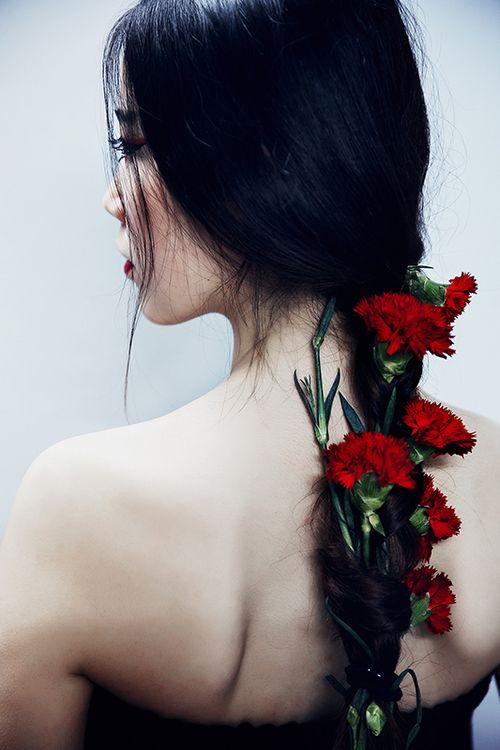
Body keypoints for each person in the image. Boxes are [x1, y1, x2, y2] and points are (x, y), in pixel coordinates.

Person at [0, 0, 498, 748]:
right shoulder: (492, 469)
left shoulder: (76, 505)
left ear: (264, 163)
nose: (113, 196)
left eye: (134, 144)